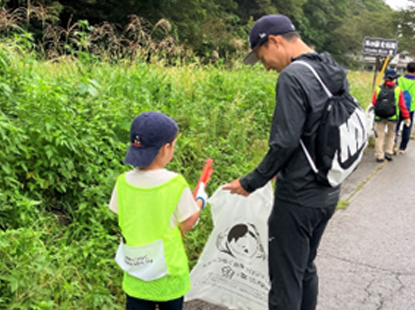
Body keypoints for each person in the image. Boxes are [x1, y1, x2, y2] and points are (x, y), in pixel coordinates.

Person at [223, 14, 348, 310]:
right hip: (328, 190)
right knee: (304, 267)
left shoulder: (293, 76)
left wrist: (250, 182)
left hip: (299, 197)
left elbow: (285, 142)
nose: (265, 66)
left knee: (285, 281)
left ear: (275, 41)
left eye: (262, 56)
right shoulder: (330, 68)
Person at [108, 111, 207, 310]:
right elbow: (186, 223)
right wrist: (200, 202)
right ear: (165, 148)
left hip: (136, 271)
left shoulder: (123, 182)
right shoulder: (175, 184)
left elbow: (121, 212)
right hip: (168, 274)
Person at [371, 68, 410, 162]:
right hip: (392, 116)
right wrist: (406, 117)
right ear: (394, 78)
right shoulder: (397, 90)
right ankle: (388, 152)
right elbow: (402, 105)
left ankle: (379, 155)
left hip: (379, 116)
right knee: (391, 135)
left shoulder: (378, 88)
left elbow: (373, 102)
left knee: (379, 136)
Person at [395, 62, 415, 154]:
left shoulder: (399, 79)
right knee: (407, 127)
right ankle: (402, 148)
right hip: (410, 108)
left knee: (396, 126)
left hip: (398, 107)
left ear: (406, 69)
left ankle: (393, 144)